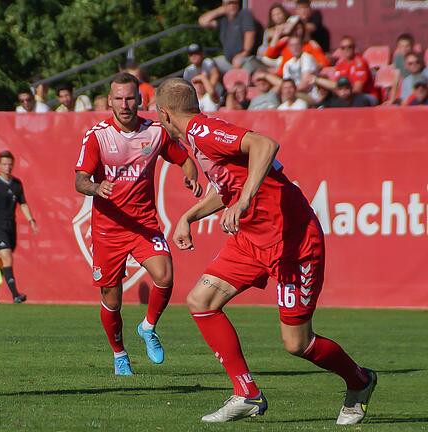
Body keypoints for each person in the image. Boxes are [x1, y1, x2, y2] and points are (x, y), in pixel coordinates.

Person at [154, 77, 376, 424]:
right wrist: (189, 216)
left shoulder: (201, 130)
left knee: (297, 344)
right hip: (251, 241)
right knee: (201, 301)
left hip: (292, 242)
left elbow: (265, 145)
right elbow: (229, 187)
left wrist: (244, 201)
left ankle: (360, 381)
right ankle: (247, 394)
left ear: (164, 115)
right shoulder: (199, 141)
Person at [74, 72, 202, 375]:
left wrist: (191, 175)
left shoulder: (155, 133)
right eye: (118, 98)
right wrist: (96, 188)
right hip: (108, 229)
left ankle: (148, 327)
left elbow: (184, 158)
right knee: (111, 298)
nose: (124, 104)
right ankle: (119, 354)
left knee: (165, 275)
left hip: (144, 224)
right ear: (109, 101)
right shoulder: (98, 136)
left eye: (130, 97)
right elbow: (80, 180)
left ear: (140, 99)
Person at [0, 150, 38, 304]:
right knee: (7, 257)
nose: (7, 167)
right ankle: (15, 295)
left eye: (10, 164)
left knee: (1, 261)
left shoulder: (17, 184)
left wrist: (31, 220)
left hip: (10, 226)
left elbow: (23, 203)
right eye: (4, 164)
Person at [198, 0, 258, 73]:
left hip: (246, 59)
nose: (232, 6)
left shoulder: (245, 14)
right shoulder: (223, 20)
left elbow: (250, 34)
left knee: (243, 72)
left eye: (235, 3)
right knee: (208, 64)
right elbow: (202, 21)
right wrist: (219, 10)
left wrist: (243, 54)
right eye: (229, 3)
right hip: (228, 60)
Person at [332, 36, 378, 103]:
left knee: (356, 100)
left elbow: (358, 90)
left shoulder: (360, 62)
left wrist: (342, 93)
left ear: (354, 48)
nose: (346, 49)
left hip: (366, 95)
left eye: (349, 47)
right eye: (343, 48)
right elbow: (337, 85)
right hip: (348, 95)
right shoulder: (339, 64)